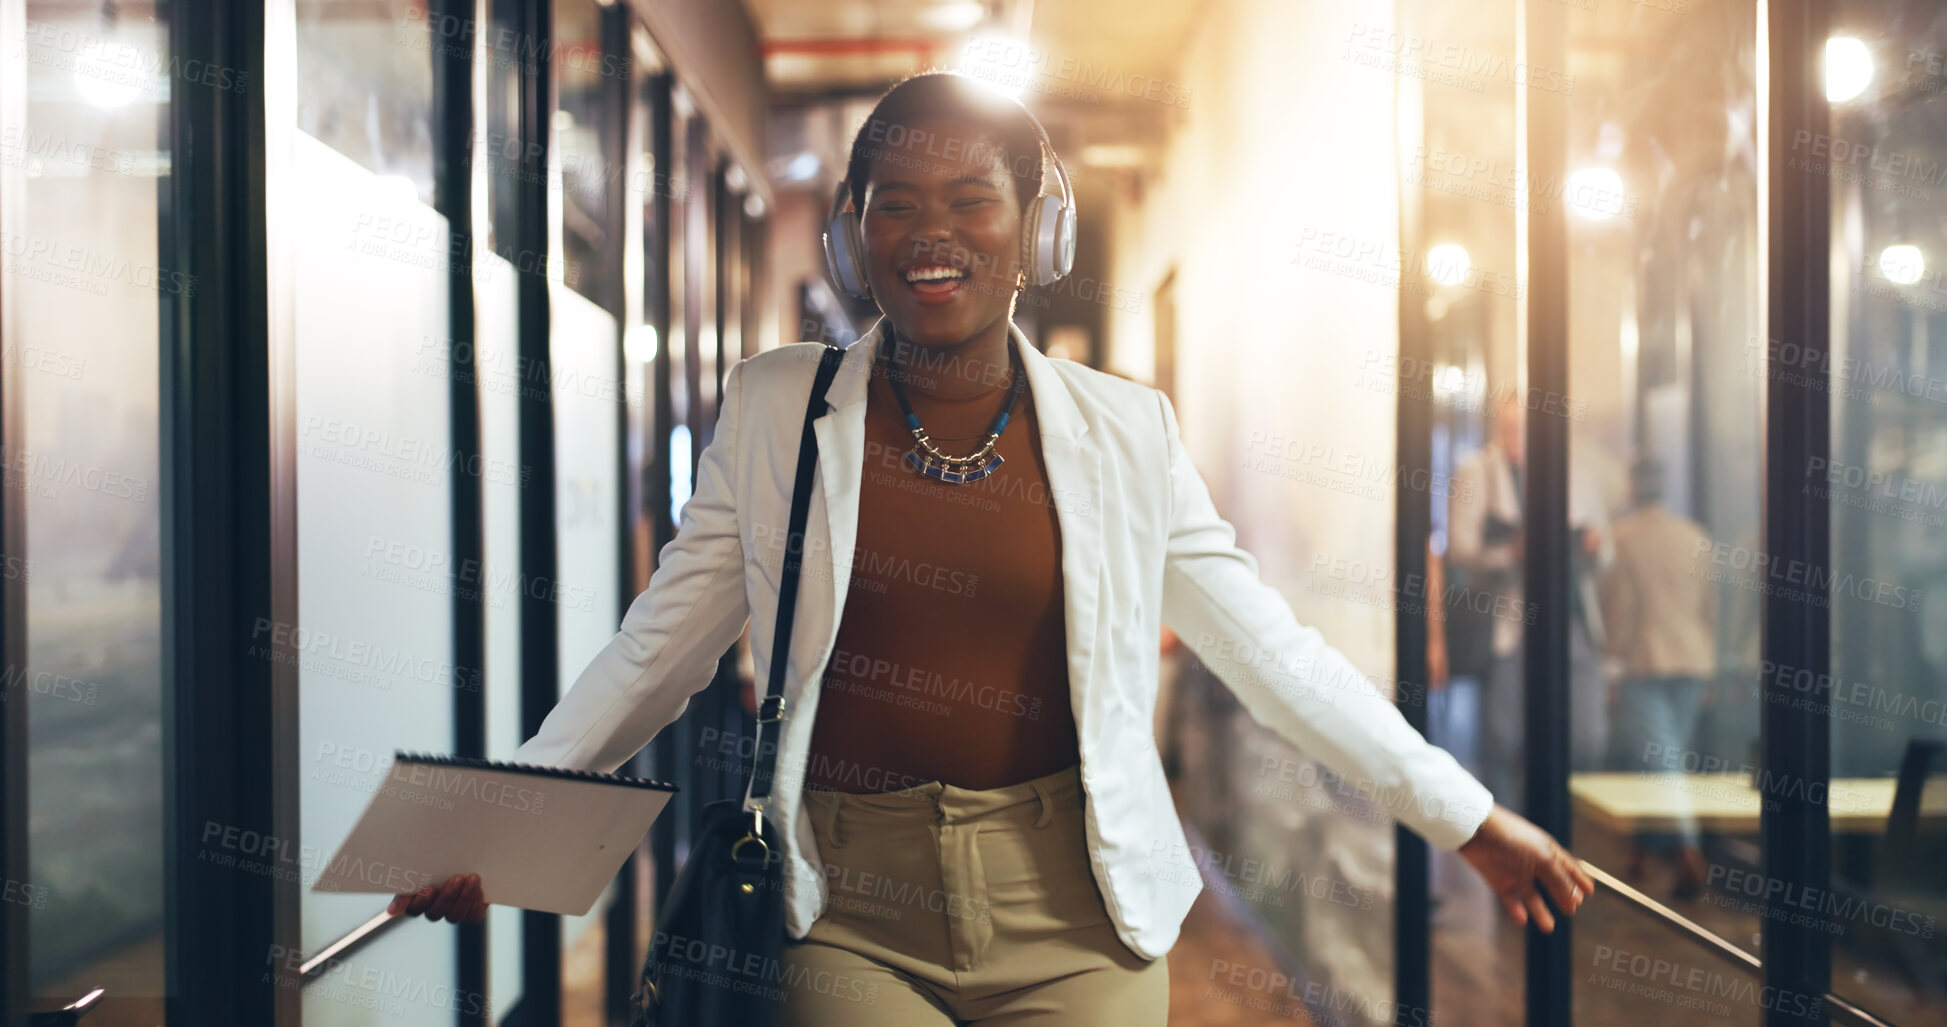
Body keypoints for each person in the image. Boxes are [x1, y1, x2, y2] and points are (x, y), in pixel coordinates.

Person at [390, 71, 1593, 1024]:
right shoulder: (776, 410)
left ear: (1036, 227)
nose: (933, 234)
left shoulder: (1128, 431)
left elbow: (1271, 653)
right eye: (895, 204)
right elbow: (660, 645)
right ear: (853, 232)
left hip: (1078, 906)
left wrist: (1464, 814)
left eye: (973, 199)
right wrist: (508, 814)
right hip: (848, 903)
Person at [1446, 396, 1610, 812]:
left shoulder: (1578, 472)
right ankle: (1511, 837)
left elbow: (1607, 552)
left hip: (1571, 622)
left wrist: (1592, 548)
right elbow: (1461, 554)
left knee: (1587, 738)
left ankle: (1558, 829)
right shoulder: (1477, 470)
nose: (1518, 437)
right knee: (1503, 741)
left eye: (1526, 427)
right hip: (1511, 624)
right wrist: (1511, 552)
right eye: (1510, 428)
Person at [1598, 454, 1717, 898]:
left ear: (1632, 487)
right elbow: (1709, 609)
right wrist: (1712, 669)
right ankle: (1645, 852)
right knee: (1664, 759)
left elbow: (1620, 611)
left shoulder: (1622, 539)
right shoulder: (1696, 537)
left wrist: (1612, 667)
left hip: (1644, 663)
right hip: (1692, 661)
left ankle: (1688, 850)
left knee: (1662, 763)